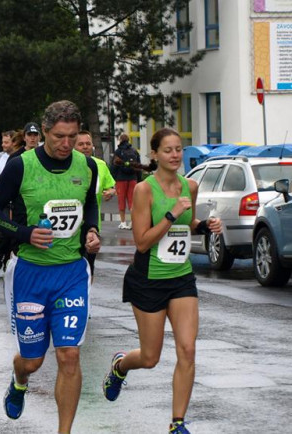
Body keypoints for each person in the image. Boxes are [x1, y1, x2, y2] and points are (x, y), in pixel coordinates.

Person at [0, 100, 101, 431]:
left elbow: (89, 202)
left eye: (73, 137)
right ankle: (19, 381)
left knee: (69, 356)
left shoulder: (86, 165)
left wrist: (91, 230)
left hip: (72, 273)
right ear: (44, 131)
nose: (66, 144)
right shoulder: (21, 166)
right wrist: (25, 233)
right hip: (30, 273)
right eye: (60, 136)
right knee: (32, 361)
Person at [102, 128, 222, 434]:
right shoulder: (145, 190)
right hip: (148, 279)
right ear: (154, 154)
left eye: (179, 149)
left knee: (188, 349)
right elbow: (142, 242)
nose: (175, 155)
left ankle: (177, 423)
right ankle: (120, 366)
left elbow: (189, 223)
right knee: (150, 357)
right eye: (168, 150)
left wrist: (206, 227)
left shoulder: (189, 186)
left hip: (181, 278)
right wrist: (170, 214)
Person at [74, 130, 116, 273]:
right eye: (81, 144)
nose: (85, 147)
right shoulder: (68, 165)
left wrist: (110, 192)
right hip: (72, 226)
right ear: (74, 146)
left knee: (89, 266)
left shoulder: (100, 165)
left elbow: (110, 187)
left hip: (92, 225)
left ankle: (85, 294)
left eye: (88, 144)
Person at [0, 129, 26, 271]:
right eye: (4, 142)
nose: (4, 145)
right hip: (4, 200)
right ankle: (0, 254)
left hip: (17, 201)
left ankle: (9, 259)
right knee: (5, 231)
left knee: (14, 233)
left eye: (7, 142)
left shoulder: (22, 157)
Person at [112, 133, 142, 229]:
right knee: (131, 201)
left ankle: (123, 222)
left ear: (120, 140)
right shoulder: (134, 151)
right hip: (132, 178)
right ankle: (133, 222)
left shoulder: (118, 152)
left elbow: (114, 167)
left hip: (121, 179)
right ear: (128, 140)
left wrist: (113, 179)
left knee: (121, 200)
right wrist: (139, 179)